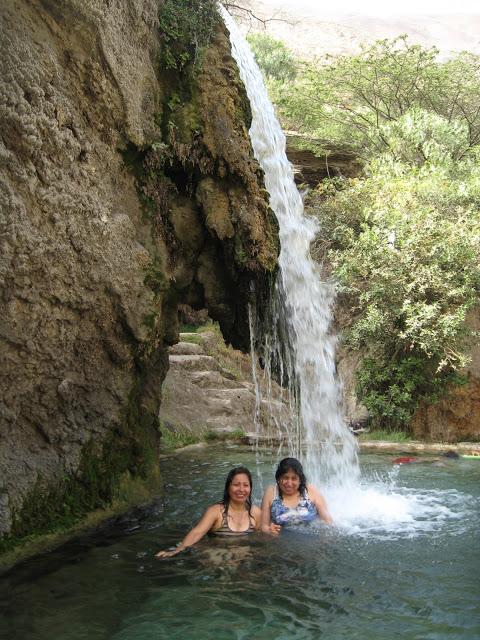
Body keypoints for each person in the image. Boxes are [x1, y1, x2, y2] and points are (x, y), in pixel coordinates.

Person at [155, 466, 261, 558]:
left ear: (250, 488)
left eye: (246, 485)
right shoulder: (216, 512)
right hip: (218, 555)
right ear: (228, 487)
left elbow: (262, 536)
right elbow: (197, 533)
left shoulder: (256, 513)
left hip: (245, 556)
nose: (241, 489)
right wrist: (176, 550)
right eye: (236, 484)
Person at [261, 457, 333, 535]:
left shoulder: (310, 490)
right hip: (281, 540)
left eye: (294, 478)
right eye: (285, 478)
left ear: (300, 480)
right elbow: (263, 526)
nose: (289, 483)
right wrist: (269, 531)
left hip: (311, 539)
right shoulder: (271, 492)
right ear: (278, 478)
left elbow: (328, 521)